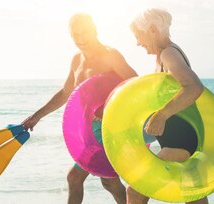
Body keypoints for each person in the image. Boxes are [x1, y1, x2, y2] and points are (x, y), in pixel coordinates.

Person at [21, 13, 138, 204]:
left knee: (76, 178)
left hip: (109, 128)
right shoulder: (77, 60)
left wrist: (109, 106)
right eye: (76, 34)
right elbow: (66, 92)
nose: (81, 39)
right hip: (88, 129)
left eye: (85, 33)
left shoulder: (110, 55)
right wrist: (37, 116)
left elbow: (135, 85)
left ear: (94, 30)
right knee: (108, 182)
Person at [126, 8, 208, 204]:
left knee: (135, 190)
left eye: (139, 36)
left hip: (180, 140)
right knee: (192, 195)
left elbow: (194, 87)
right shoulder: (165, 53)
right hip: (179, 137)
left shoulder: (169, 54)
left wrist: (161, 115)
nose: (138, 42)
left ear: (153, 29)